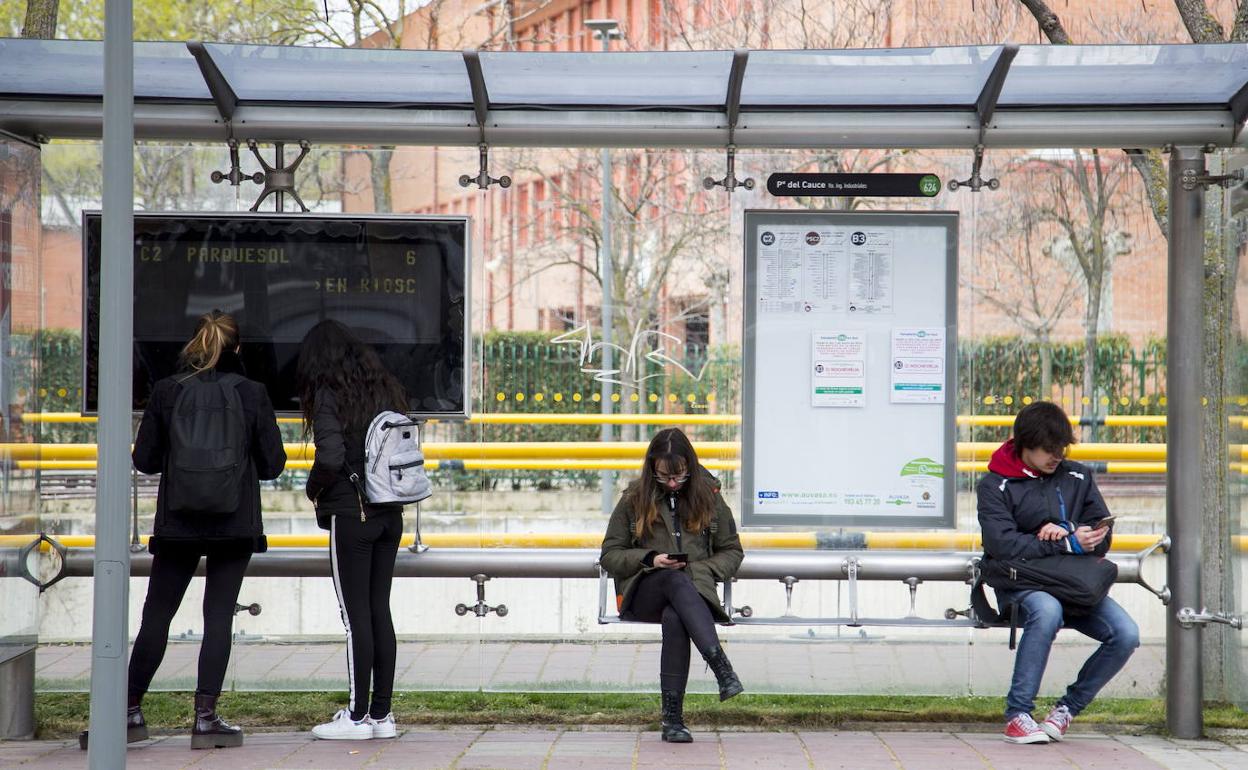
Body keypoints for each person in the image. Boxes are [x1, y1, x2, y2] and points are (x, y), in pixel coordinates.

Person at [125, 310, 286, 750]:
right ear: (238, 348)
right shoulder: (252, 394)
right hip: (233, 523)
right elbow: (273, 465)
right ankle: (206, 720)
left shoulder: (166, 392)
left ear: (193, 345)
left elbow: (145, 460)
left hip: (177, 522)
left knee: (157, 614)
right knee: (218, 617)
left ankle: (129, 710)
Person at [977, 401, 1139, 744]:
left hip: (1073, 583)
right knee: (1047, 609)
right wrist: (1064, 543)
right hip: (1021, 583)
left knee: (1126, 633)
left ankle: (1067, 709)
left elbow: (1101, 534)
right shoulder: (994, 485)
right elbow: (1003, 545)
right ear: (1025, 444)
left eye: (1061, 449)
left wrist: (1077, 533)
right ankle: (1018, 713)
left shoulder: (1078, 475)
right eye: (1048, 450)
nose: (1057, 456)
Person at [297, 319, 409, 740]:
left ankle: (357, 717)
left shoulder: (329, 394)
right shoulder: (387, 388)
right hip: (390, 514)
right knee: (380, 610)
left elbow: (330, 456)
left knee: (354, 616)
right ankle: (382, 716)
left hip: (353, 514)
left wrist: (312, 490)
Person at [600, 427, 745, 743]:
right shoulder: (634, 499)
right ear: (652, 469)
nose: (673, 483)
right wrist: (651, 559)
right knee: (672, 578)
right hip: (644, 590)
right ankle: (722, 668)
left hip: (690, 594)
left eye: (679, 476)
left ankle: (673, 721)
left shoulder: (710, 497)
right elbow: (610, 554)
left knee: (676, 616)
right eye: (664, 476)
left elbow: (732, 551)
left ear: (689, 467)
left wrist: (699, 569)